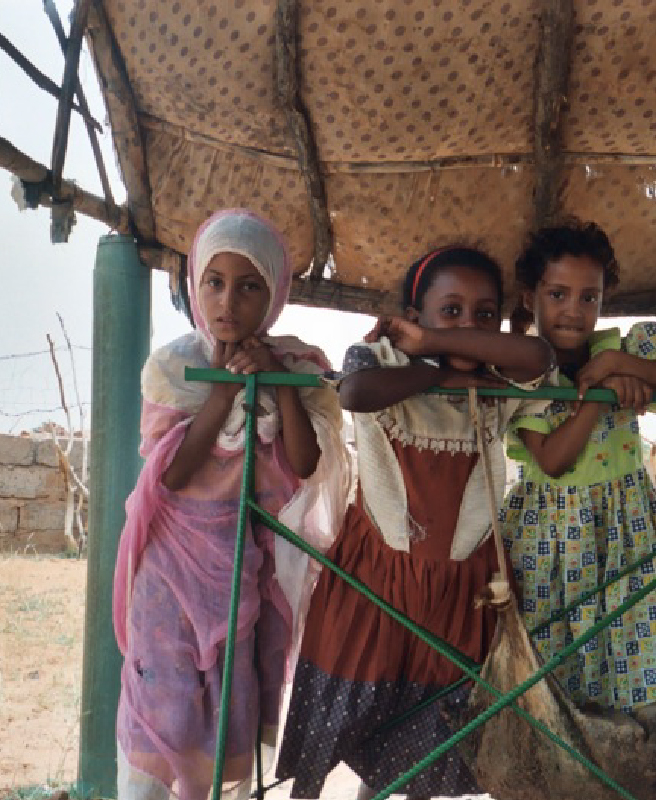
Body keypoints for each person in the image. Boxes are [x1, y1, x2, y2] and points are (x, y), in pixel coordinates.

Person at [275, 246, 554, 799]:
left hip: (460, 591)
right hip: (373, 584)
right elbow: (355, 393)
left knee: (432, 729)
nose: (468, 325)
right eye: (450, 311)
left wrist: (443, 342)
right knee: (347, 716)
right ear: (413, 318)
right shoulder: (381, 361)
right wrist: (432, 364)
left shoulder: (500, 382)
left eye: (484, 315)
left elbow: (540, 356)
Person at [112, 209, 349, 800]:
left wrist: (274, 382)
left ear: (273, 297)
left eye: (248, 287)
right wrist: (223, 392)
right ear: (195, 284)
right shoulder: (174, 368)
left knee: (227, 712)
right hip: (169, 572)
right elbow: (173, 474)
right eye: (214, 282)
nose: (227, 302)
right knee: (162, 708)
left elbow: (305, 462)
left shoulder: (298, 369)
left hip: (246, 569)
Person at [500, 218, 656, 713]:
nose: (573, 310)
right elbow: (553, 460)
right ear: (530, 297)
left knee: (631, 643)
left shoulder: (621, 353)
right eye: (557, 294)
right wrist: (600, 397)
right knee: (553, 659)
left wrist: (621, 367)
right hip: (551, 537)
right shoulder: (520, 373)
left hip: (626, 533)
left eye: (588, 297)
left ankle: (623, 754)